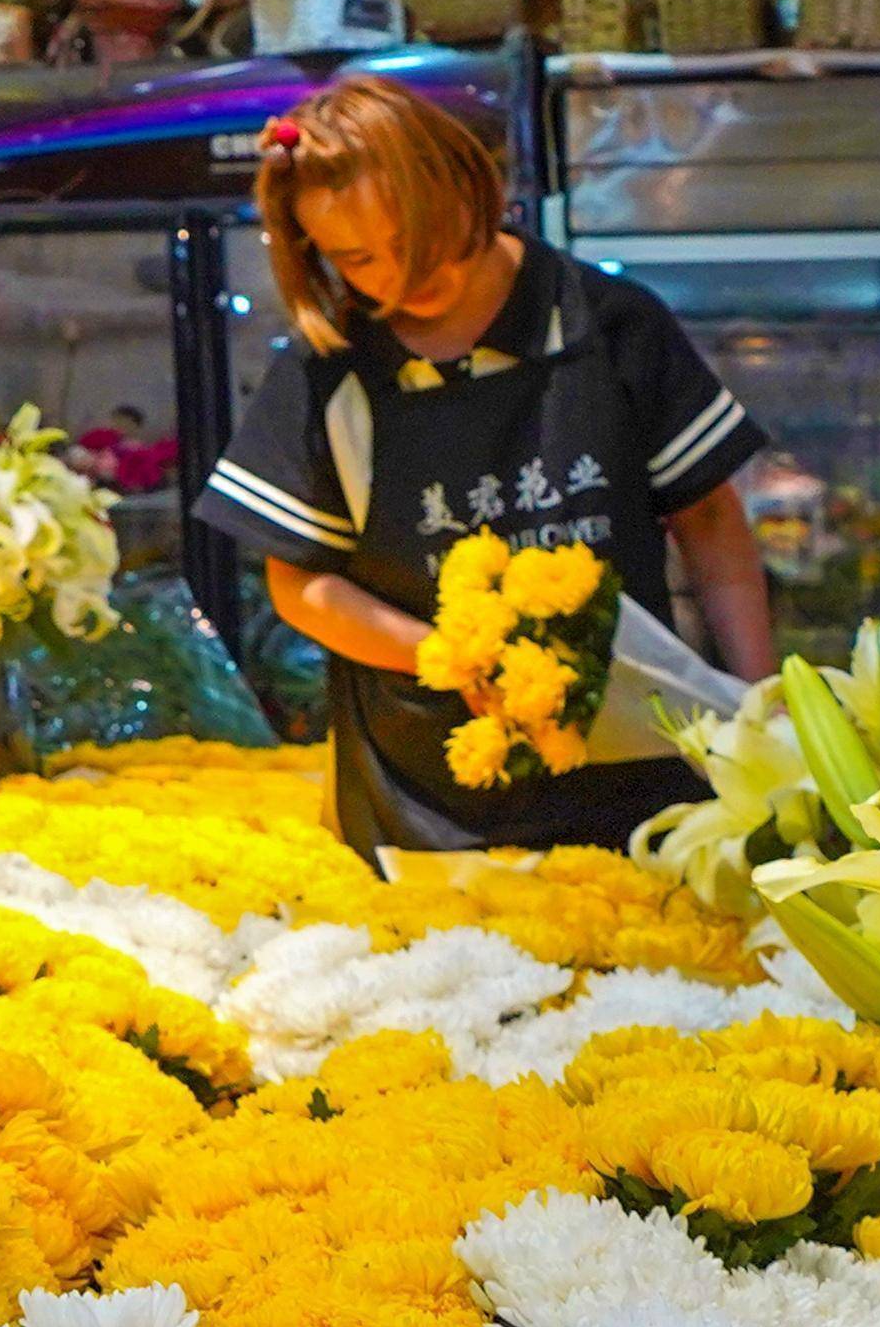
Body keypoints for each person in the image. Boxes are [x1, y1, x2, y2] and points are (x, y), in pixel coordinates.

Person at [189, 75, 777, 855]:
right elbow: (300, 584)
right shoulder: (327, 369)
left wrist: (759, 706)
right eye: (358, 259)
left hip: (641, 792)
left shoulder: (606, 324)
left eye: (418, 238)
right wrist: (439, 654)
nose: (401, 278)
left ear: (469, 184)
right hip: (422, 810)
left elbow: (707, 518)